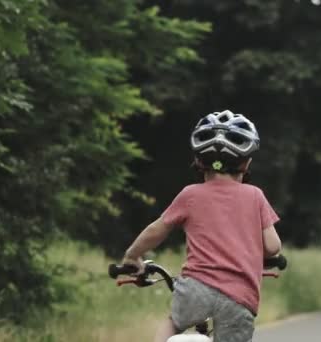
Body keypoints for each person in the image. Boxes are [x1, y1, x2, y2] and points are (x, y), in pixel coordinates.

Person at [121, 110, 282, 342]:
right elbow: (273, 246)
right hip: (238, 297)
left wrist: (132, 257)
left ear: (198, 161)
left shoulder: (190, 195)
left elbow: (157, 230)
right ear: (247, 163)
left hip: (195, 290)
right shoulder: (255, 196)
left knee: (173, 323)